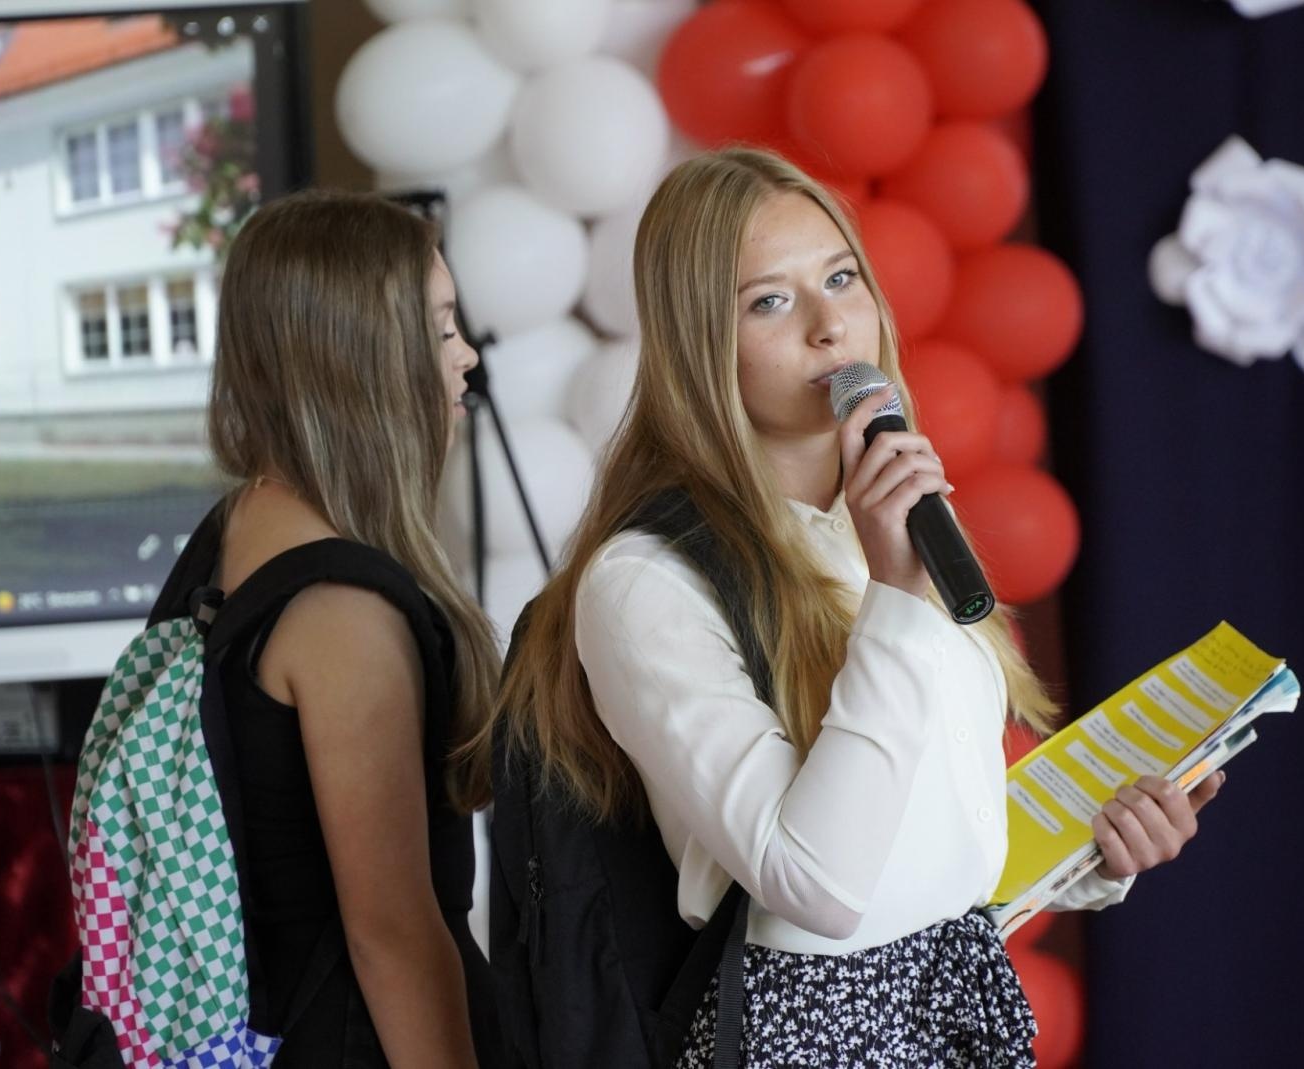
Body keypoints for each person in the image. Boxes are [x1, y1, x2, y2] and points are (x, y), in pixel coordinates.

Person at [474, 147, 1224, 1066]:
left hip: (947, 989)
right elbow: (817, 882)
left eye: (841, 277)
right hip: (809, 1032)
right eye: (771, 300)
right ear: (698, 344)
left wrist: (1096, 851)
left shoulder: (878, 525)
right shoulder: (644, 578)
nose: (832, 326)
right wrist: (897, 595)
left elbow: (926, 833)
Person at [180, 190, 501, 1066]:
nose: (467, 357)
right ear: (362, 358)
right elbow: (391, 933)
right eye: (439, 329)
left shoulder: (239, 522)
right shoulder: (344, 609)